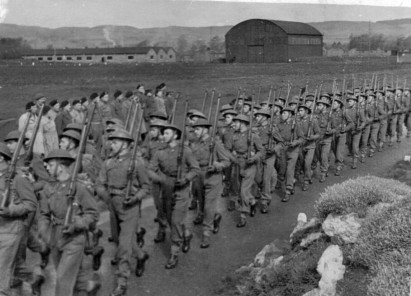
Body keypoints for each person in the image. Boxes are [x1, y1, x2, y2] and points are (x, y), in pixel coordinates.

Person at [39, 149, 100, 296]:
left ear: (61, 167)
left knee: (63, 278)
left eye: (51, 164)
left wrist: (76, 224)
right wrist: (45, 234)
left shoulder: (79, 187)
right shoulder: (48, 187)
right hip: (55, 236)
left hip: (74, 238)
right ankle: (87, 288)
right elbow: (44, 214)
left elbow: (92, 214)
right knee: (73, 274)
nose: (47, 167)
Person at [96, 130, 150, 296]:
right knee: (121, 239)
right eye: (111, 142)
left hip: (130, 207)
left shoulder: (136, 163)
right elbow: (99, 184)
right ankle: (140, 255)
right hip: (113, 203)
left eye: (115, 142)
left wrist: (135, 198)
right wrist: (107, 198)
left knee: (124, 246)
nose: (111, 145)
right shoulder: (108, 163)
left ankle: (122, 281)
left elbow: (145, 186)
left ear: (126, 144)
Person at [148, 123, 200, 269]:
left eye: (167, 133)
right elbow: (150, 169)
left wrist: (186, 179)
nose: (164, 136)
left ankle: (174, 253)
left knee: (176, 220)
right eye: (163, 133)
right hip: (167, 188)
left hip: (182, 189)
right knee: (171, 219)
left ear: (175, 135)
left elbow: (195, 169)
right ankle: (186, 234)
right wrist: (161, 179)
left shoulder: (185, 151)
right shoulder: (160, 152)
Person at [0, 142, 39, 295]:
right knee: (15, 265)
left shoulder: (17, 179)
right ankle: (34, 279)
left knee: (2, 266)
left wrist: (11, 210)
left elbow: (31, 204)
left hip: (11, 228)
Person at [189, 119, 230, 247]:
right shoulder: (194, 144)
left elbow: (226, 161)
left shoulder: (215, 143)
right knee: (201, 205)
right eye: (194, 129)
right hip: (198, 177)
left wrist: (217, 166)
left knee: (208, 206)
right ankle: (216, 216)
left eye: (197, 129)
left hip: (213, 178)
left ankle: (206, 233)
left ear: (205, 130)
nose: (195, 132)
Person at [228, 114, 264, 227]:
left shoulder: (253, 136)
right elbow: (230, 148)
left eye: (237, 122)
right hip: (238, 163)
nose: (234, 124)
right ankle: (253, 202)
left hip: (249, 165)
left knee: (243, 191)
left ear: (243, 123)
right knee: (240, 190)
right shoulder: (234, 135)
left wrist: (253, 158)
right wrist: (232, 154)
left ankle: (243, 216)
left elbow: (261, 151)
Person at [297, 104, 320, 191]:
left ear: (306, 111)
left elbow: (318, 133)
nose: (299, 113)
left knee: (307, 163)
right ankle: (308, 176)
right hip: (301, 145)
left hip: (310, 145)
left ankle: (306, 181)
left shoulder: (313, 121)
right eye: (299, 111)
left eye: (301, 111)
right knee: (302, 163)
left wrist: (312, 137)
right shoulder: (297, 121)